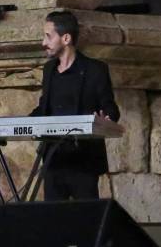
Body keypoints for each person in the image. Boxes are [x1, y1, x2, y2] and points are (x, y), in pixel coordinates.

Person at [30, 11, 120, 200]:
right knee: (53, 216)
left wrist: (106, 120)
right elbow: (44, 108)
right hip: (54, 159)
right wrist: (22, 123)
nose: (43, 42)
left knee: (85, 215)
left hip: (84, 160)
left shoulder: (95, 70)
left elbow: (110, 108)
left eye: (48, 36)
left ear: (66, 38)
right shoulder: (49, 70)